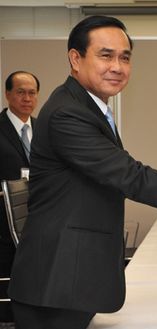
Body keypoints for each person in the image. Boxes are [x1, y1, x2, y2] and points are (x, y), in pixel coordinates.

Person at [8, 15, 157, 329]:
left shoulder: (86, 106)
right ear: (75, 59)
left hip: (68, 279)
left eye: (125, 57)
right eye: (105, 55)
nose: (118, 67)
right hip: (56, 284)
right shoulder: (68, 112)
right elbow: (131, 176)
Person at [0, 70, 39, 323]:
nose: (27, 98)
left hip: (38, 218)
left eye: (32, 93)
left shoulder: (44, 129)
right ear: (7, 95)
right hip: (3, 224)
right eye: (21, 92)